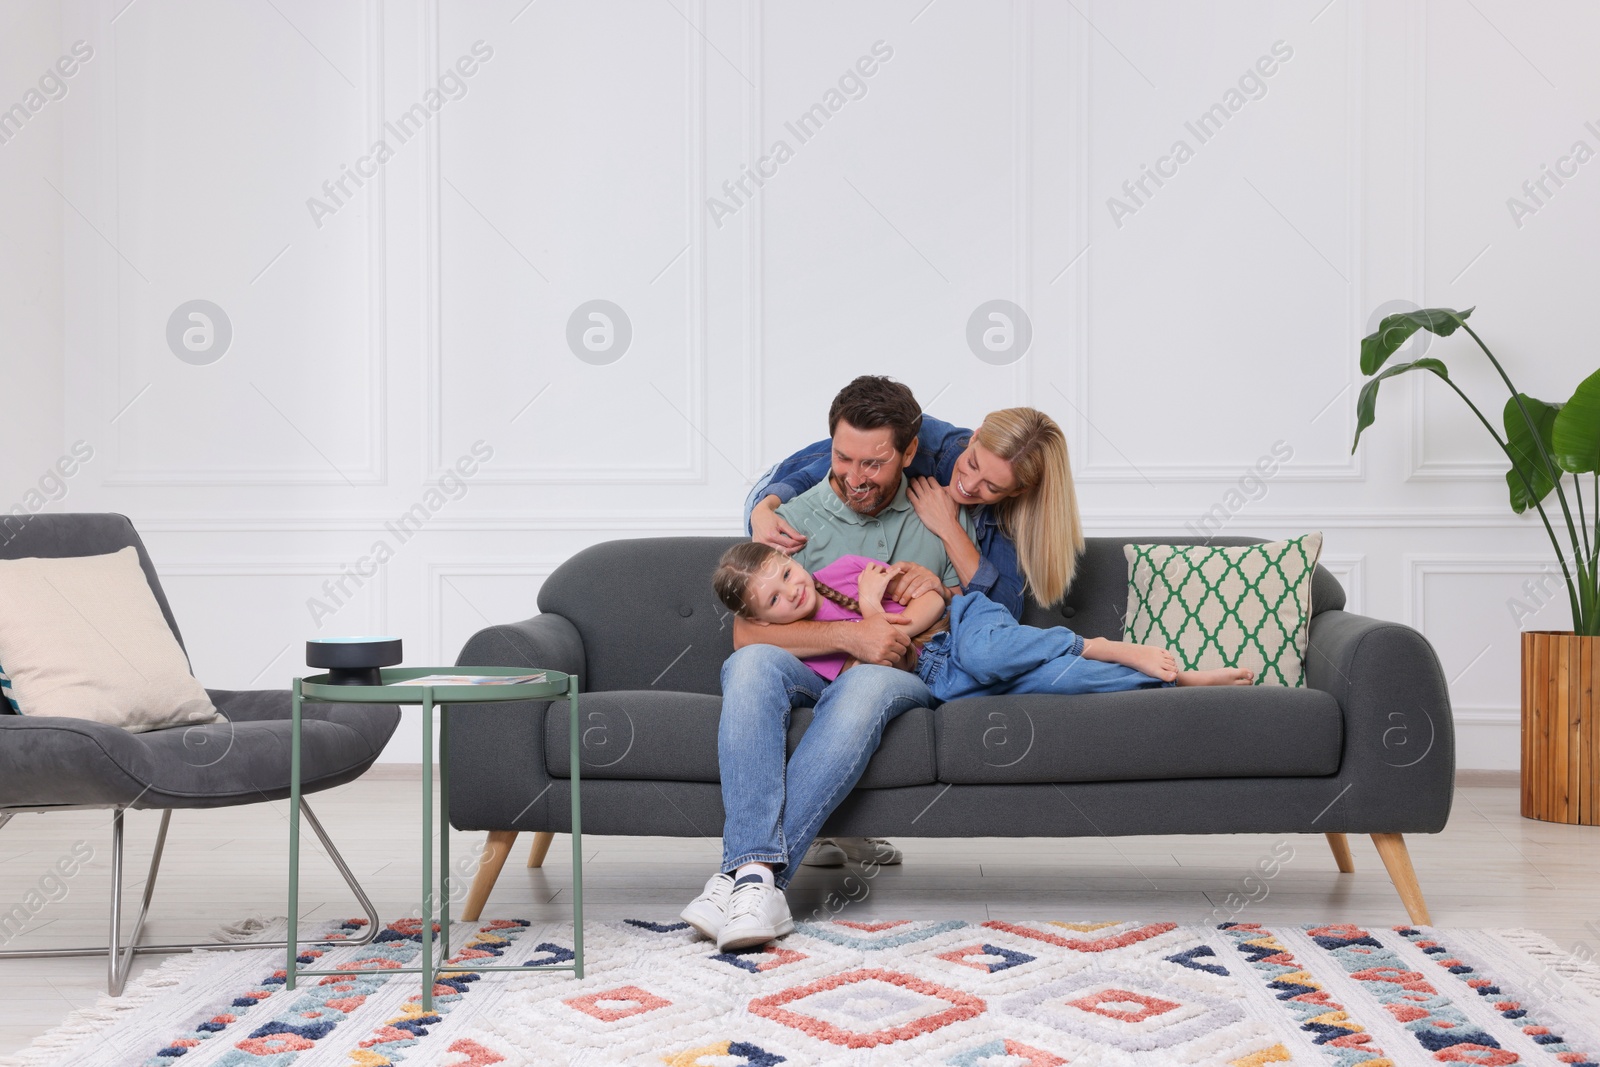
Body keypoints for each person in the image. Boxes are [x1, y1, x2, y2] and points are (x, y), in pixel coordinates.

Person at [682, 376, 968, 952]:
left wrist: (937, 589)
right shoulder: (793, 518)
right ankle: (757, 879)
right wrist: (852, 634)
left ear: (908, 453)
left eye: (874, 464)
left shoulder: (937, 515)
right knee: (750, 666)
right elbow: (747, 630)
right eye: (842, 458)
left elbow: (971, 616)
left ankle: (738, 878)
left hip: (898, 672)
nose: (855, 478)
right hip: (812, 667)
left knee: (864, 685)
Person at [745, 406, 1082, 867]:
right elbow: (837, 454)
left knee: (866, 683)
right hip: (851, 638)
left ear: (1018, 491)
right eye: (974, 464)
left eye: (992, 486)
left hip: (918, 656)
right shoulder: (932, 446)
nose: (970, 484)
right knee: (758, 667)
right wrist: (764, 506)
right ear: (975, 435)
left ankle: (755, 871)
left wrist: (945, 532)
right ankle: (759, 866)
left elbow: (996, 618)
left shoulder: (1001, 516)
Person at [713, 545, 1254, 698]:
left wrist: (896, 609)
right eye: (776, 599)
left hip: (966, 621)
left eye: (786, 572)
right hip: (936, 674)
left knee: (987, 653)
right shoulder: (802, 652)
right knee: (1052, 683)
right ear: (762, 618)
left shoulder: (846, 570)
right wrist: (874, 614)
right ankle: (1177, 680)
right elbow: (884, 660)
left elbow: (930, 600)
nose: (794, 588)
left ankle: (1098, 643)